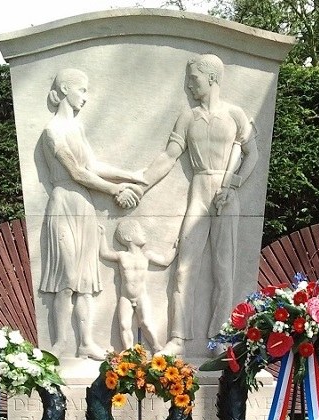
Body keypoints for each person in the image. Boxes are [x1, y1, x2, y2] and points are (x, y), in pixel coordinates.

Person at [139, 53, 259, 357]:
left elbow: (251, 154)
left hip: (226, 195)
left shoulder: (235, 114)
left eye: (193, 79)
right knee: (183, 268)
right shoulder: (188, 117)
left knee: (223, 268)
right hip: (199, 190)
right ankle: (178, 338)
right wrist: (141, 184)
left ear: (212, 78)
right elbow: (169, 156)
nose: (189, 85)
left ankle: (221, 336)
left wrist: (234, 185)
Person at [38, 68, 145, 360]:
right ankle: (61, 342)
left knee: (85, 279)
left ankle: (85, 342)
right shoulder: (52, 131)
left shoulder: (77, 129)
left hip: (84, 206)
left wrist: (129, 176)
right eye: (81, 90)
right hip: (64, 204)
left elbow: (93, 166)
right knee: (68, 277)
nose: (85, 97)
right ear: (64, 90)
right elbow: (76, 172)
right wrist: (114, 191)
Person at [98, 219, 177, 352]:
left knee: (145, 322)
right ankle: (128, 353)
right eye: (140, 231)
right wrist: (102, 235)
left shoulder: (147, 255)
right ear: (129, 237)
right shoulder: (122, 256)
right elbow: (104, 253)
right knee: (124, 324)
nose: (144, 234)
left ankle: (157, 346)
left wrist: (176, 248)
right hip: (125, 297)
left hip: (141, 296)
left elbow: (165, 261)